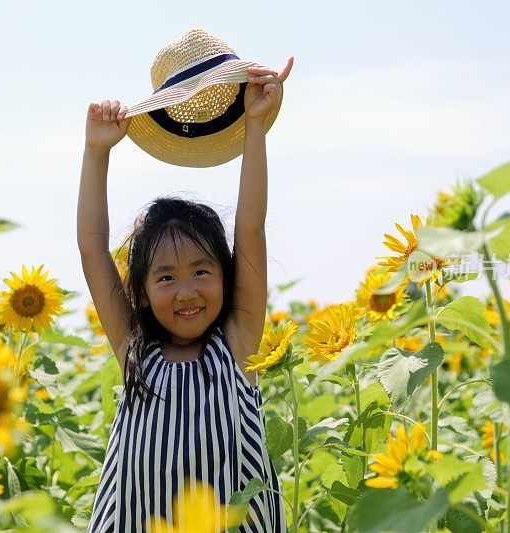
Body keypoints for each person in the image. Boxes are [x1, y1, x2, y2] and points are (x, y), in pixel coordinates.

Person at [77, 56, 294, 533]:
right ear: (141, 293)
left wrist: (255, 127)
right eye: (166, 278)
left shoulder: (238, 345)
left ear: (228, 275)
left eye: (201, 270)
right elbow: (93, 246)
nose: (187, 291)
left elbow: (250, 227)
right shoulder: (135, 352)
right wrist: (97, 152)